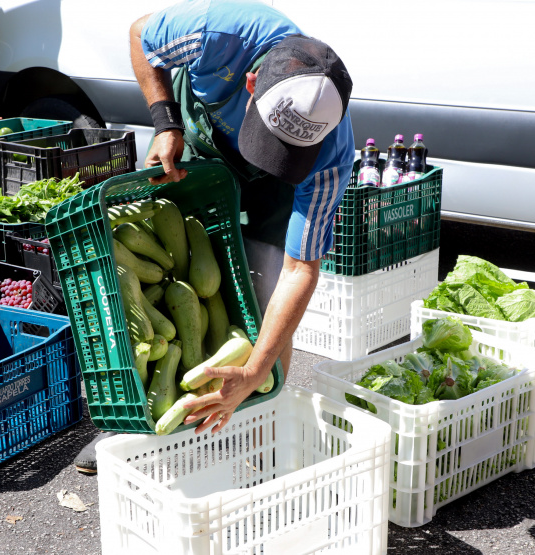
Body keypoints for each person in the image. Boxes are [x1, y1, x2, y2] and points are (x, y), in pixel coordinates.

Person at [73, 0, 354, 474]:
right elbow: (141, 34)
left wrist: (256, 369)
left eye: (290, 149)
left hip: (273, 192)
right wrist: (165, 123)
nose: (274, 152)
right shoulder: (220, 33)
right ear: (251, 83)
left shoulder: (331, 156)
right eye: (272, 140)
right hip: (198, 147)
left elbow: (299, 270)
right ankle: (134, 419)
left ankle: (260, 433)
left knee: (263, 299)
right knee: (151, 281)